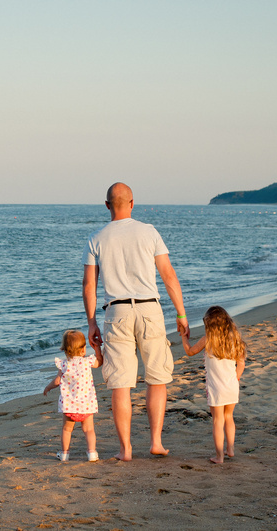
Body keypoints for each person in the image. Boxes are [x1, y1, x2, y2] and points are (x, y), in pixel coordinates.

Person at [82, 182, 189, 461]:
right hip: (149, 309)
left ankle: (125, 449)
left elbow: (89, 285)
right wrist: (181, 313)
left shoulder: (97, 238)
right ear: (132, 203)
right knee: (157, 378)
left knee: (120, 383)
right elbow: (168, 274)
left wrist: (92, 322)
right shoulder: (149, 231)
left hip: (116, 312)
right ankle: (155, 442)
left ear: (107, 205)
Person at [180, 306, 247, 464]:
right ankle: (230, 449)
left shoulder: (208, 339)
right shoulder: (235, 340)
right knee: (229, 418)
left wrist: (184, 336)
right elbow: (241, 364)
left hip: (216, 389)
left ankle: (219, 456)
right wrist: (236, 378)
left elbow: (190, 351)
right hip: (232, 386)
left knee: (218, 421)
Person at [44, 329, 103, 462]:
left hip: (69, 405)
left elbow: (57, 381)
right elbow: (99, 362)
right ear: (83, 349)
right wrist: (97, 349)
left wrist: (48, 387)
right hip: (86, 404)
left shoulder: (64, 364)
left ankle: (65, 454)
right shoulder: (88, 362)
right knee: (89, 430)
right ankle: (92, 453)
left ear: (65, 350)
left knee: (66, 430)